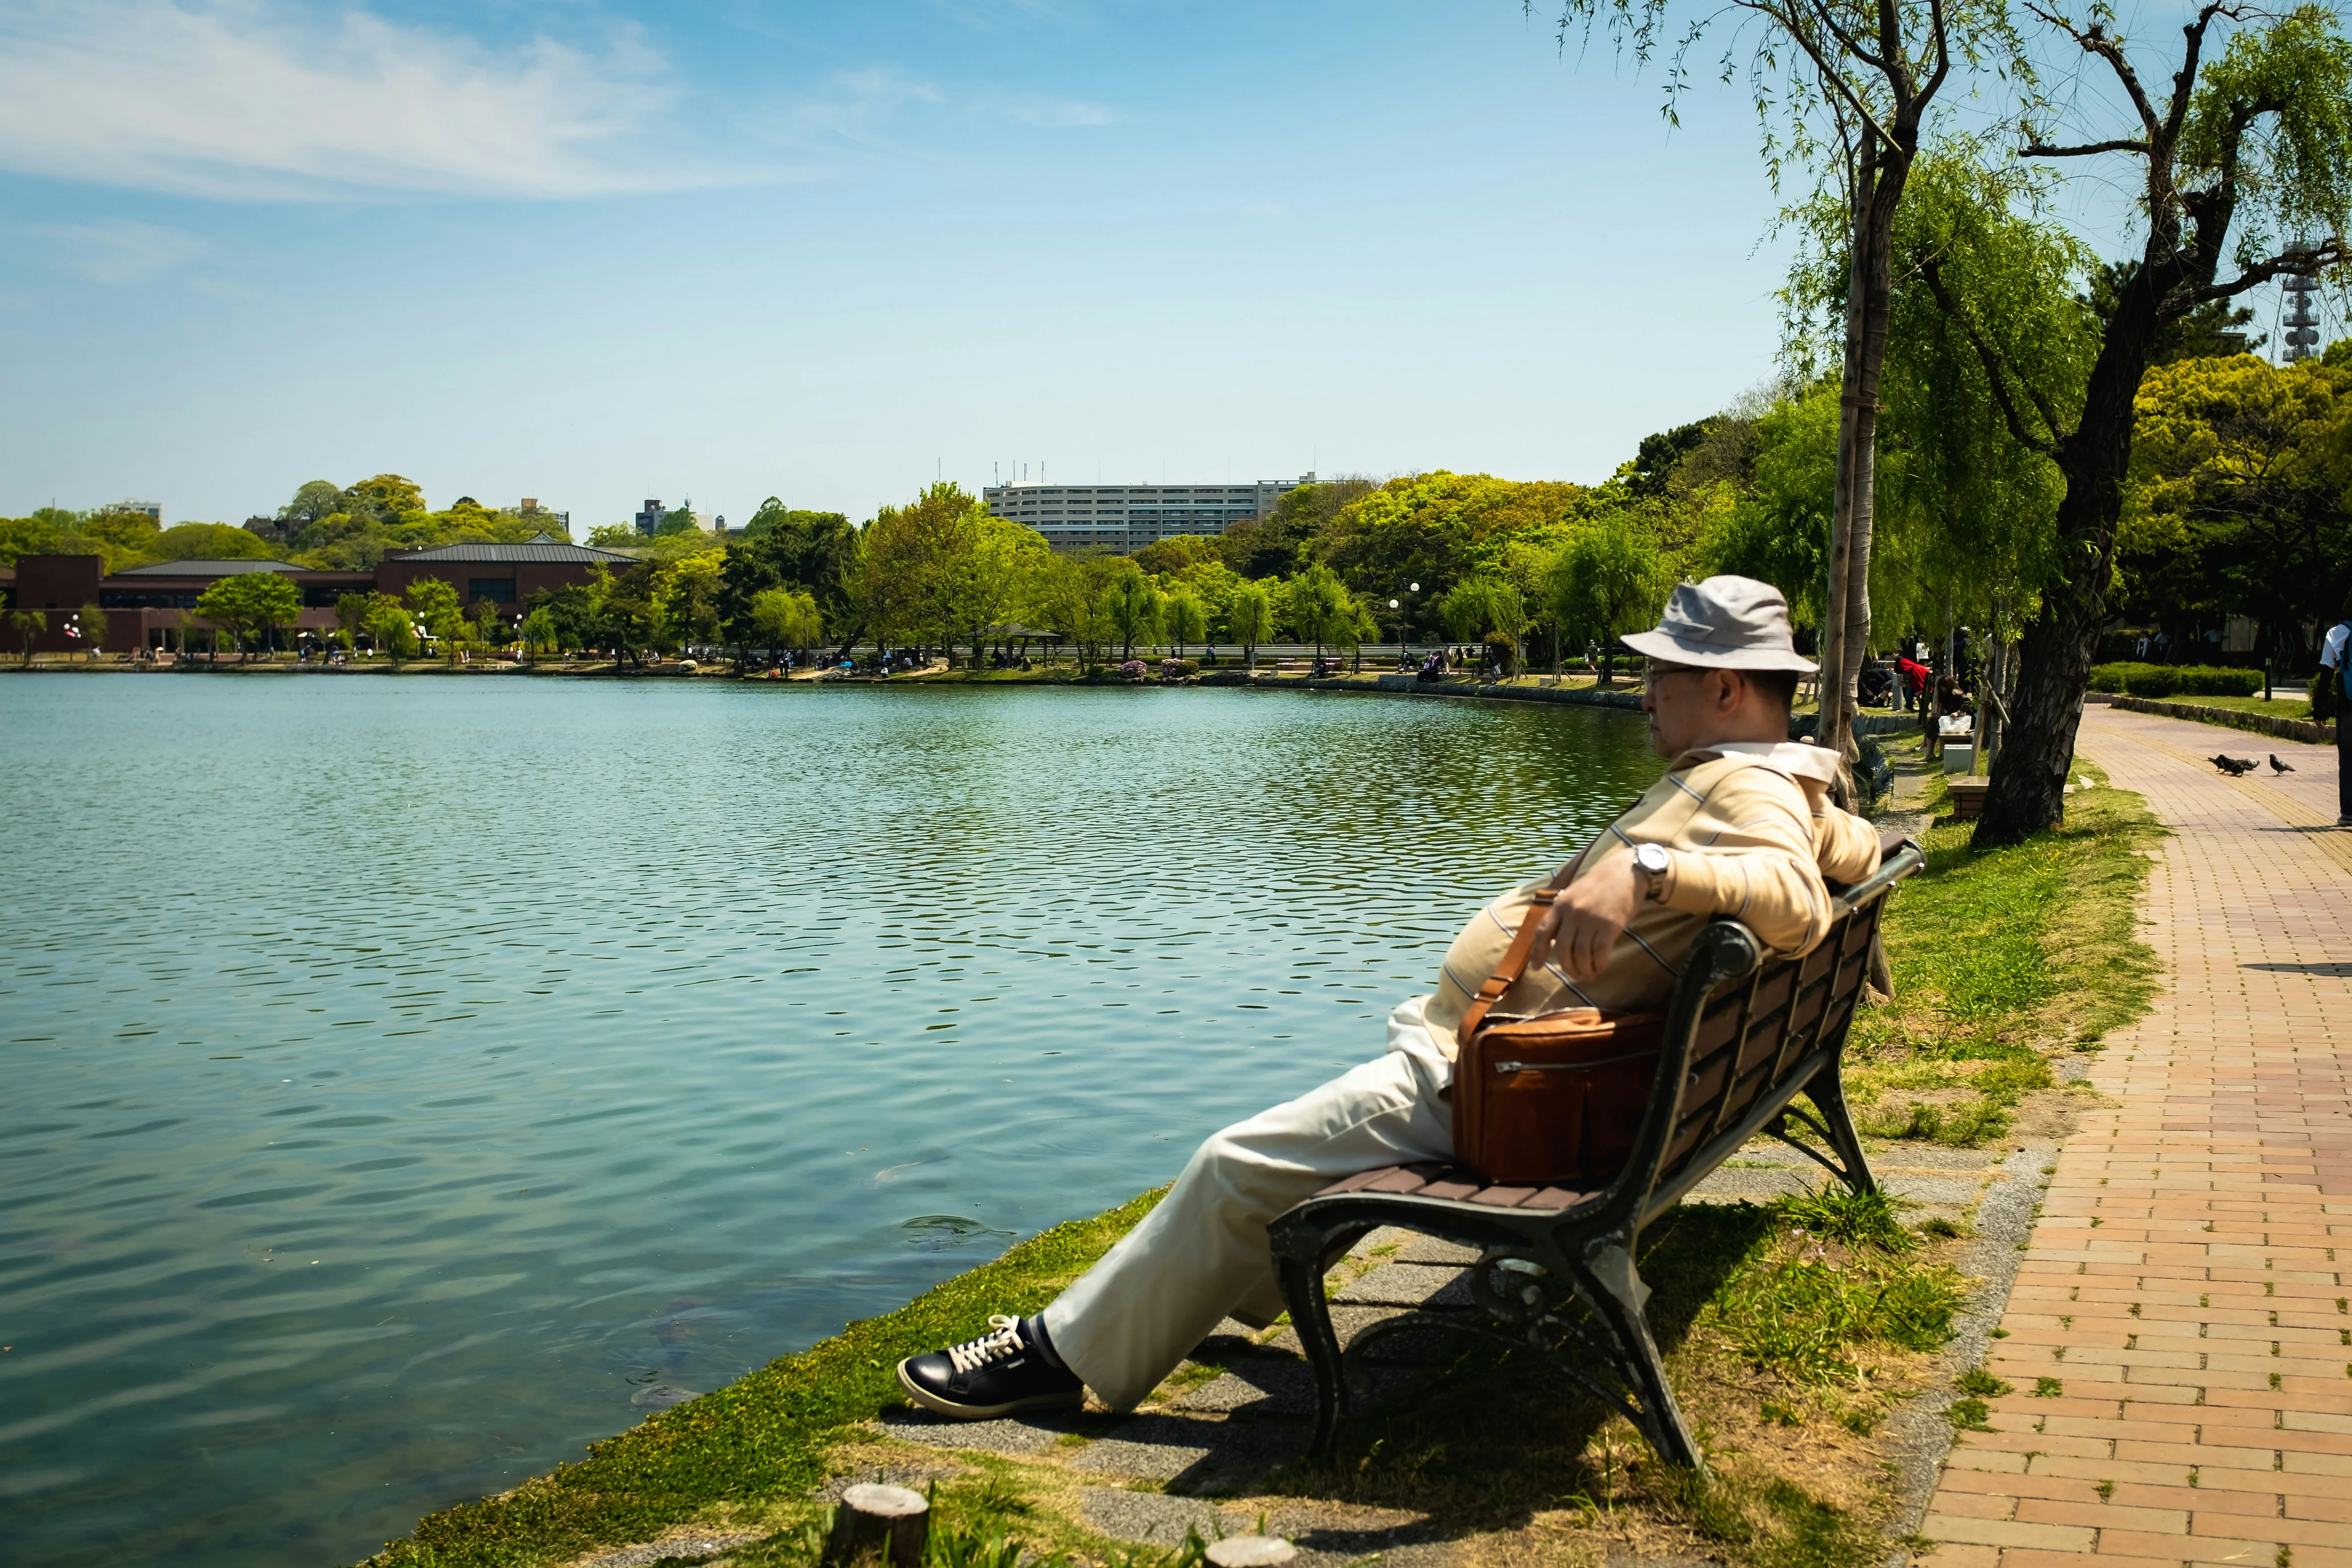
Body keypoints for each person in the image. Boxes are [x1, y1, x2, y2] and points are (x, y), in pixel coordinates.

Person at [894, 576, 1883, 1421]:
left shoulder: (1742, 793)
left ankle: (1054, 1359)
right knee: (1273, 1165)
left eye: (1659, 675)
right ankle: (1176, 1298)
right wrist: (1851, 838)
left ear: (1720, 684)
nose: (1642, 695)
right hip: (1539, 1068)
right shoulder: (1771, 780)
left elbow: (1794, 902)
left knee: (1232, 1162)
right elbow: (1845, 848)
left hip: (1492, 1084)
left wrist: (1652, 867)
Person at [2320, 587, 2352, 826]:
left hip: (2347, 705)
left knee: (2348, 758)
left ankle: (2348, 813)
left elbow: (2326, 673)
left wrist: (2319, 708)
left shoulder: (2337, 633)